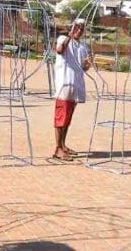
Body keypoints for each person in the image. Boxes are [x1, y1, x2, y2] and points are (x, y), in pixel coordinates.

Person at [52, 18, 91, 161]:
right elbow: (60, 50)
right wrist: (69, 34)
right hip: (65, 84)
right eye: (77, 27)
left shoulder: (83, 46)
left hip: (76, 85)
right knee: (61, 117)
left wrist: (87, 64)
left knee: (67, 118)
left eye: (82, 28)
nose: (79, 30)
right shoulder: (63, 39)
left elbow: (83, 67)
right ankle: (58, 148)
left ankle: (63, 145)